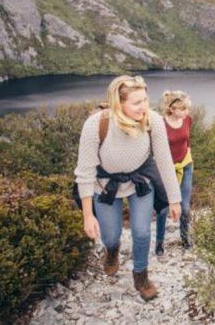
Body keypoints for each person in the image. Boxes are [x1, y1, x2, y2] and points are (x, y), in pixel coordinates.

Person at [74, 75, 182, 301]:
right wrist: (87, 215)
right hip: (105, 186)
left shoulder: (153, 121)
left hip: (139, 183)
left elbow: (164, 160)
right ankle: (112, 250)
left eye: (145, 100)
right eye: (136, 103)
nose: (144, 107)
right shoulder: (96, 125)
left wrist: (174, 199)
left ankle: (141, 276)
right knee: (111, 235)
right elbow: (84, 172)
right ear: (118, 103)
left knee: (142, 232)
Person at [155, 90, 194, 255]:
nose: (186, 112)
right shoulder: (160, 124)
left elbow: (187, 139)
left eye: (187, 108)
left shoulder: (187, 119)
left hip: (185, 165)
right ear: (171, 109)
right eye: (182, 109)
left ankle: (185, 239)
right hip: (166, 169)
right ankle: (159, 242)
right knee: (164, 208)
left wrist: (189, 153)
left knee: (184, 207)